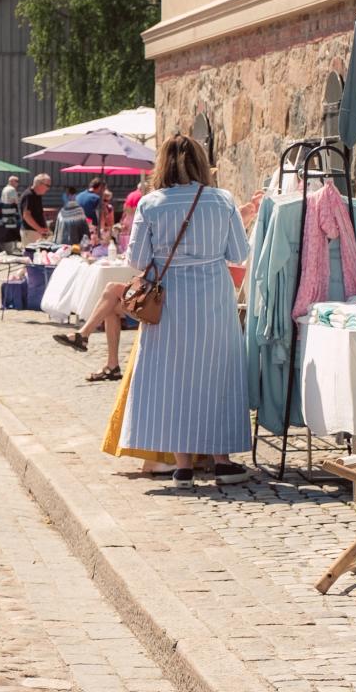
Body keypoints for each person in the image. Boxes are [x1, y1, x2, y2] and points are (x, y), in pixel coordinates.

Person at [118, 135, 252, 485]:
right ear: (201, 161)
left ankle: (182, 466)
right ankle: (222, 460)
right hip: (213, 298)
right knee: (218, 373)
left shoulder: (150, 204)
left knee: (171, 378)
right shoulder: (222, 200)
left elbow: (135, 260)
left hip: (169, 301)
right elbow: (239, 253)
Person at [20, 174, 52, 245]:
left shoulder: (37, 195)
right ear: (39, 184)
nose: (48, 188)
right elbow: (26, 215)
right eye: (47, 185)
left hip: (36, 232)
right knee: (31, 255)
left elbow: (41, 213)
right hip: (30, 232)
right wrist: (39, 229)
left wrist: (45, 227)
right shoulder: (29, 195)